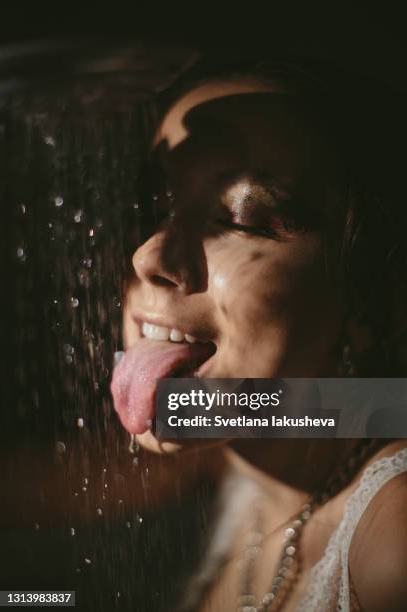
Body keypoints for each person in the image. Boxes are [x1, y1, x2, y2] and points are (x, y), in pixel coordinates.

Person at [111, 57, 407, 611]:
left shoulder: (392, 551)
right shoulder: (251, 443)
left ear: (371, 300)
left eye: (242, 218)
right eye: (155, 206)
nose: (148, 254)